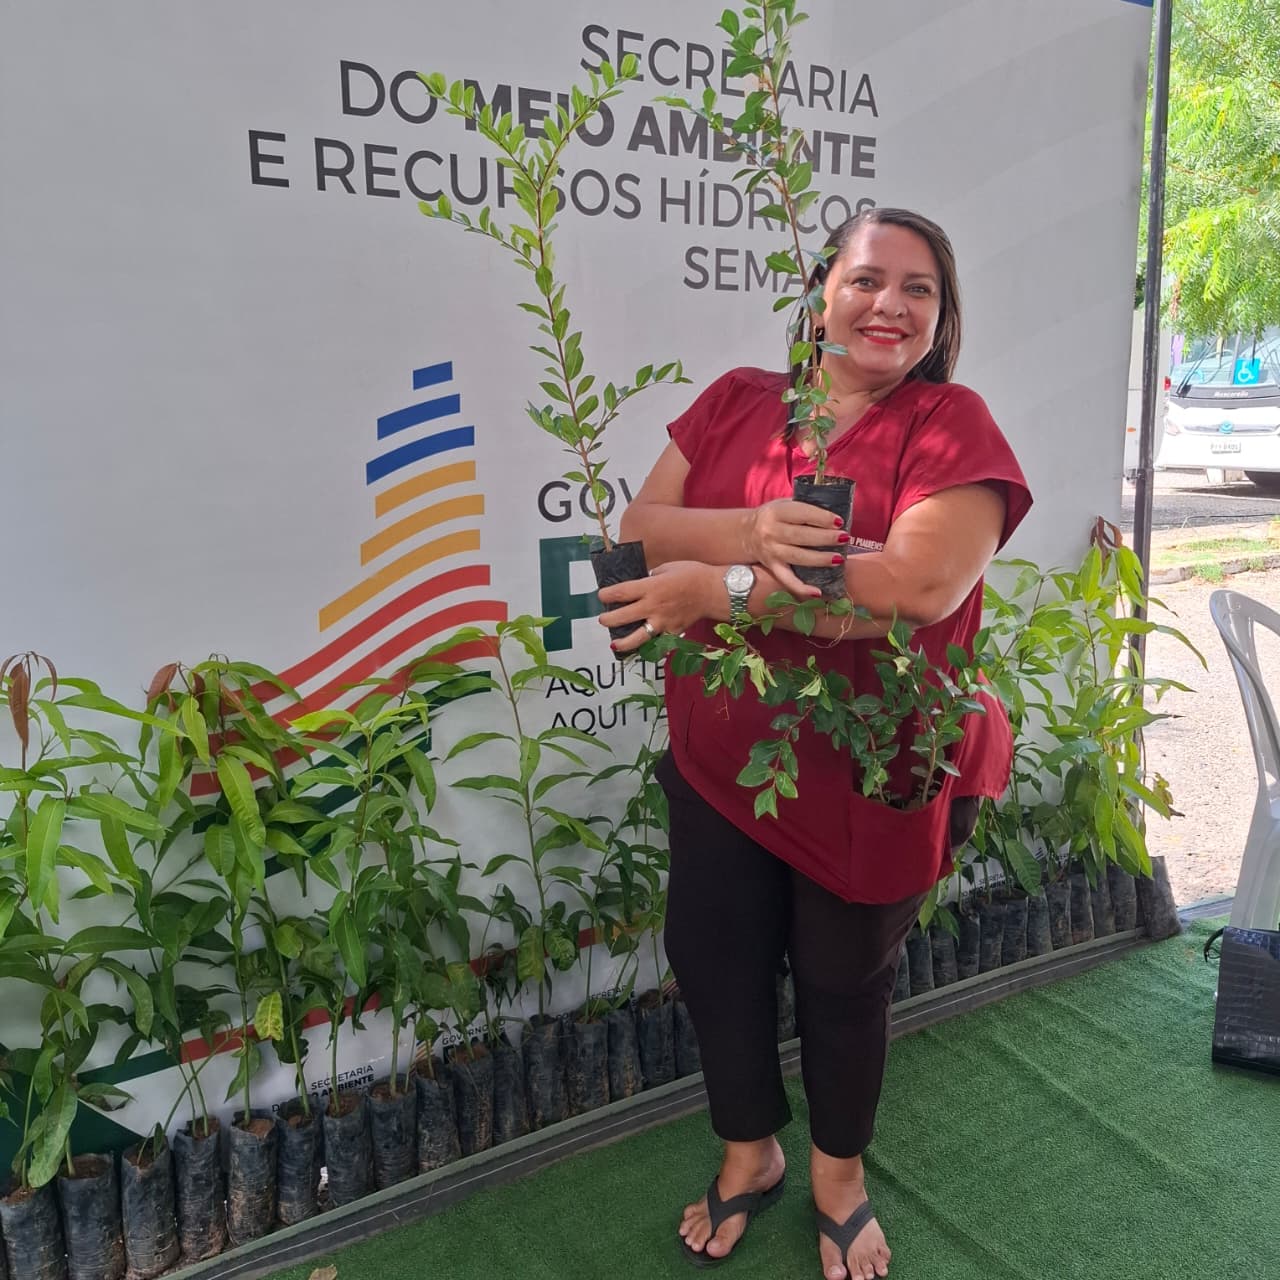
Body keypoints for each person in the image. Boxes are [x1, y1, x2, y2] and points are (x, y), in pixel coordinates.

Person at [597, 208, 1033, 1280]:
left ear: (941, 315)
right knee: (713, 955)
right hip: (719, 752)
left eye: (917, 288)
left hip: (873, 760)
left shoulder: (949, 425)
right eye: (865, 278)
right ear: (819, 294)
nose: (888, 303)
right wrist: (751, 529)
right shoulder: (741, 401)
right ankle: (748, 1153)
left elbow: (916, 586)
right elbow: (632, 527)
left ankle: (838, 1174)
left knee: (844, 977)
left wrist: (724, 586)